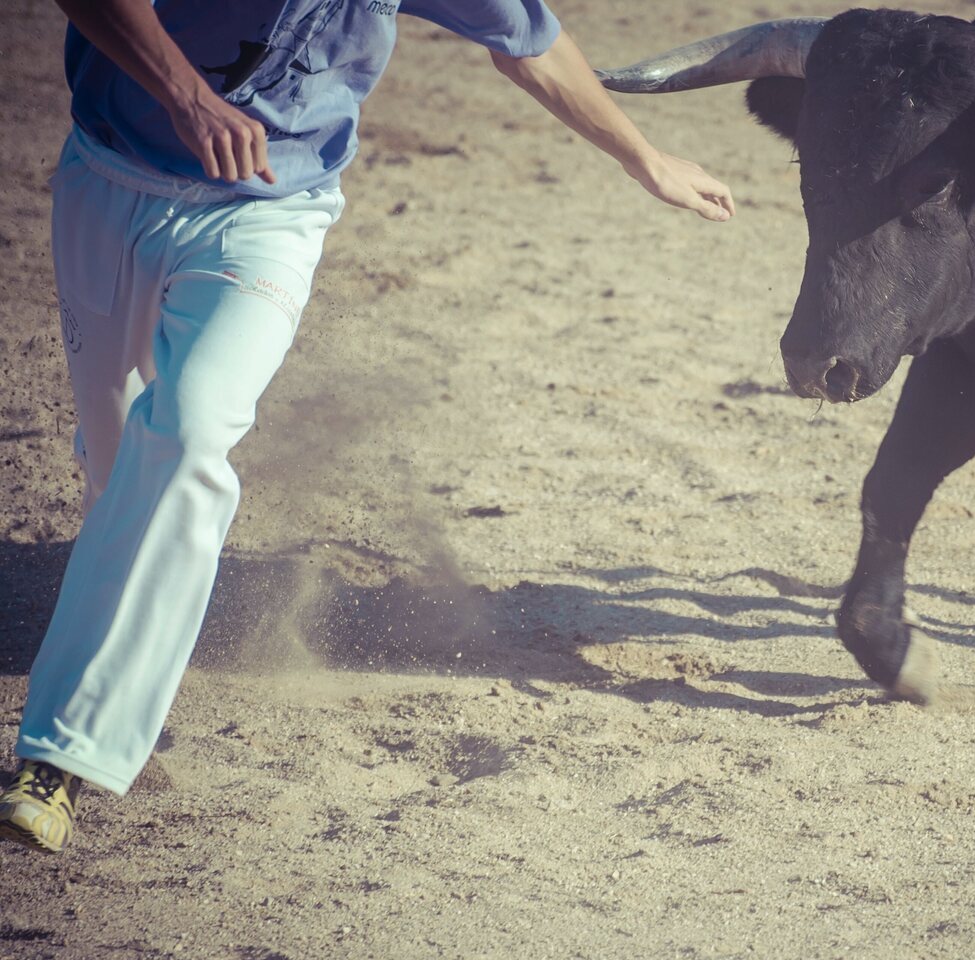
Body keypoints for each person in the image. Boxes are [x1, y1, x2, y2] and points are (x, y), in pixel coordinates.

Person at [0, 0, 735, 854]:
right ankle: (110, 640)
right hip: (110, 179)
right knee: (124, 468)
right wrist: (185, 94)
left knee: (193, 435)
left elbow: (527, 42)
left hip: (270, 214)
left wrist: (644, 159)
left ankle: (59, 754)